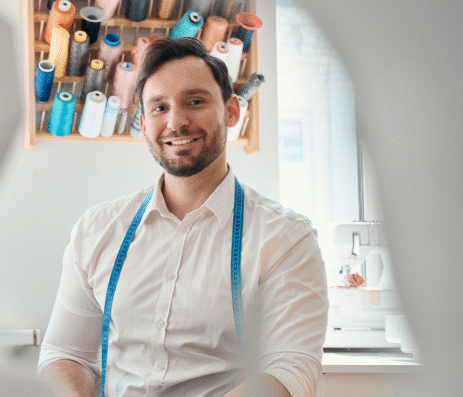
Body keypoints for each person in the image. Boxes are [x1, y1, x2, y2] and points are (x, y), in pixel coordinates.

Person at [38, 37, 328, 397]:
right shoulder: (97, 229)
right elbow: (66, 353)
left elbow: (290, 371)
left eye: (195, 101)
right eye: (159, 108)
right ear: (143, 125)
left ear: (232, 111)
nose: (176, 122)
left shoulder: (285, 238)